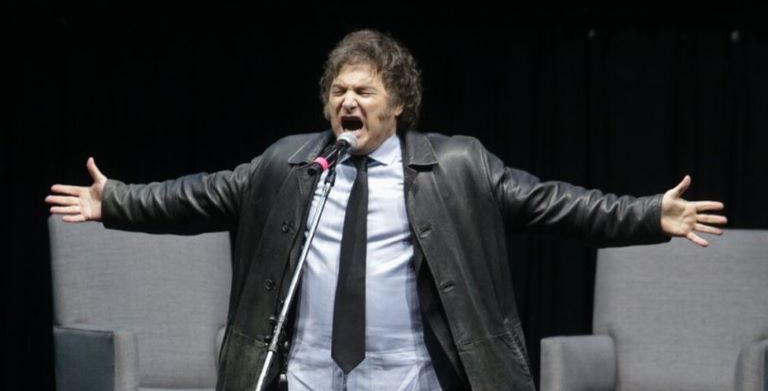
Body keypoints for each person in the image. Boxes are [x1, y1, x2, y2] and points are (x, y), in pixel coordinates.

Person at [46, 29, 726, 391]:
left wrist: (648, 215)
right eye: (338, 91)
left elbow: (558, 205)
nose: (348, 101)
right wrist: (117, 200)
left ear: (397, 103)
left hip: (406, 373)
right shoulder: (288, 165)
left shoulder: (457, 166)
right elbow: (196, 195)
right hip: (308, 371)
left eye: (364, 91)